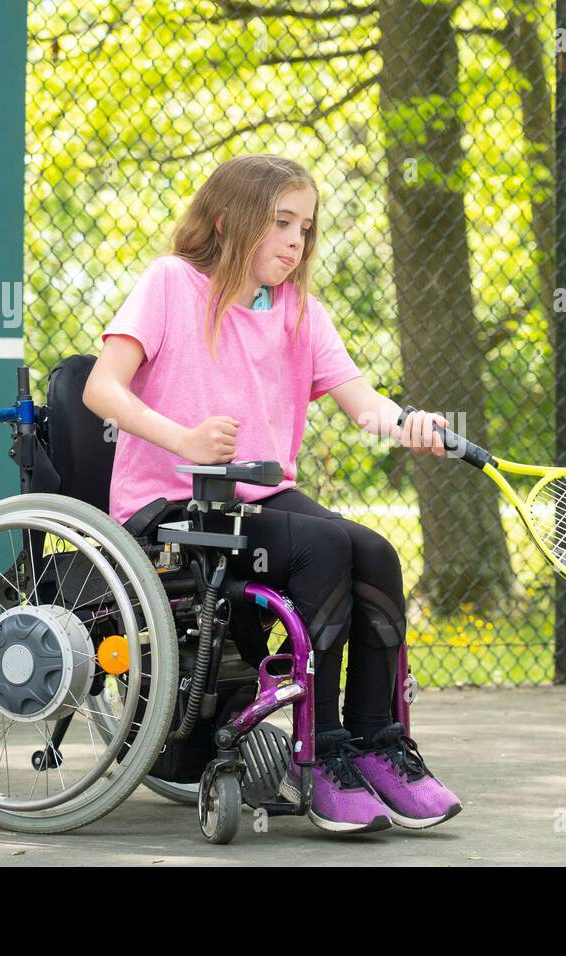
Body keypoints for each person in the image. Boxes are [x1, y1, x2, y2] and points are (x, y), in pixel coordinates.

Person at [84, 153, 462, 833]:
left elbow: (362, 403)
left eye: (306, 229)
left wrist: (412, 425)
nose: (296, 241)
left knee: (373, 551)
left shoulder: (298, 313)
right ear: (229, 220)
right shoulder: (170, 284)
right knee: (322, 546)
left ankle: (379, 744)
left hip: (257, 500)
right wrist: (185, 439)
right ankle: (318, 753)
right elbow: (100, 388)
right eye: (282, 222)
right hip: (172, 504)